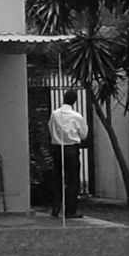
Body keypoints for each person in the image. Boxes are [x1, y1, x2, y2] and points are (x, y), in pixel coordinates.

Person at [48, 89, 90, 219]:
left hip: (57, 148)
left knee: (57, 178)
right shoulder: (77, 116)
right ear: (75, 101)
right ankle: (70, 210)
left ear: (63, 99)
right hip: (71, 149)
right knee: (72, 180)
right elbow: (84, 134)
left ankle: (56, 206)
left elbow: (50, 128)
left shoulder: (55, 114)